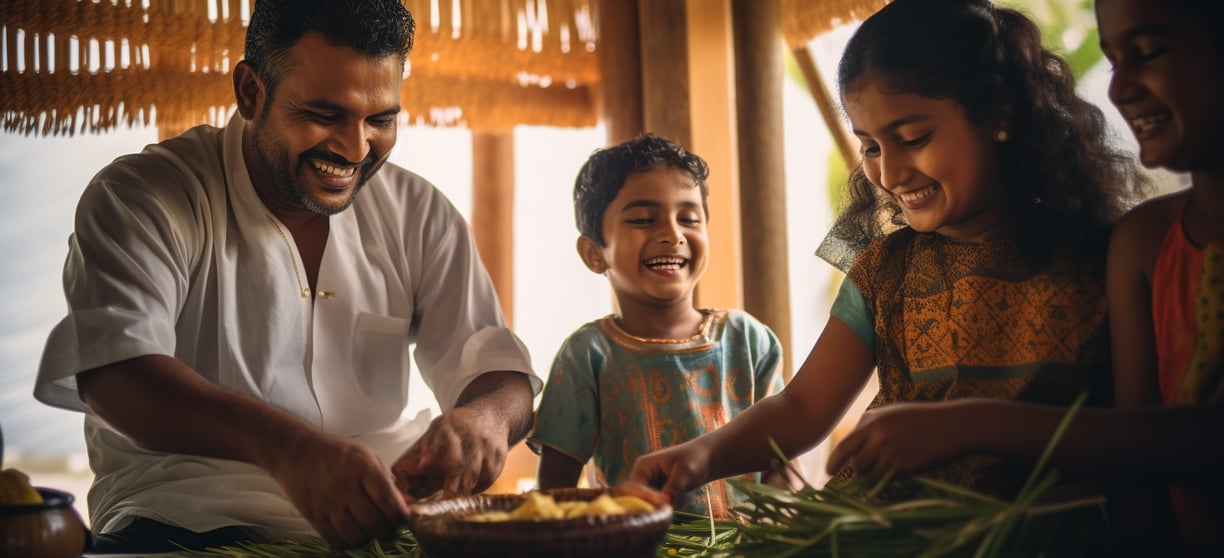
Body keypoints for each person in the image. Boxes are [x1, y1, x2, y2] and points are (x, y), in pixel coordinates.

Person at [32, 0, 540, 552]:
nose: (355, 148)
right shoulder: (144, 196)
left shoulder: (419, 212)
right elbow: (116, 373)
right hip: (184, 522)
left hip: (388, 524)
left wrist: (484, 420)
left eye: (381, 119)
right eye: (325, 115)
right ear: (251, 93)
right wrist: (289, 449)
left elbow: (498, 370)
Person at [628, 0, 1149, 506]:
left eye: (914, 137)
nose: (890, 173)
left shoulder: (1106, 260)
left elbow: (1142, 434)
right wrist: (700, 456)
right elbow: (803, 406)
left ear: (999, 114)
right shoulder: (885, 270)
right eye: (871, 147)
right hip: (881, 528)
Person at [527, 134, 788, 517]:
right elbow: (554, 494)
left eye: (689, 218)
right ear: (594, 253)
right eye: (643, 220)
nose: (672, 234)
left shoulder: (750, 341)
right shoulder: (587, 355)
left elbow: (781, 464)